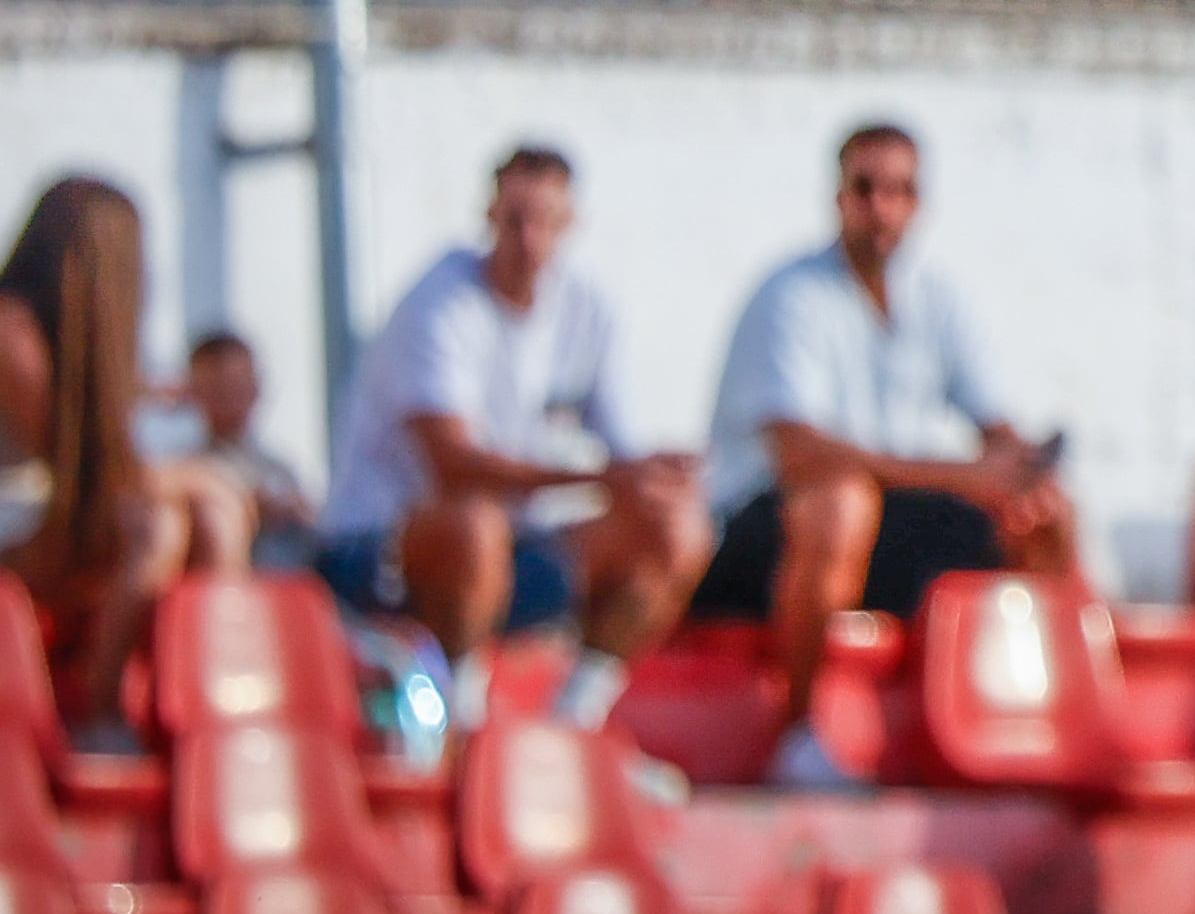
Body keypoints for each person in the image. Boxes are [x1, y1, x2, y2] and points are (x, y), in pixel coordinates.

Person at [690, 124, 1080, 786]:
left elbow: (992, 424)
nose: (882, 209)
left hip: (880, 527)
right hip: (763, 536)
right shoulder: (790, 298)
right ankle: (797, 736)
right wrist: (967, 476)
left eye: (898, 192)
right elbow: (800, 455)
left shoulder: (938, 299)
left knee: (1045, 514)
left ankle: (1043, 722)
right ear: (838, 197)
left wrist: (1021, 469)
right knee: (839, 506)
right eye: (866, 190)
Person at [311, 147, 711, 732]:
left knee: (676, 526)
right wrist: (605, 478)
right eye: (515, 219)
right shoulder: (438, 304)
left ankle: (576, 722)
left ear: (570, 224)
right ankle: (463, 731)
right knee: (474, 527)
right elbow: (453, 467)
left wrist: (658, 476)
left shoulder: (586, 308)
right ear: (490, 217)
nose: (528, 239)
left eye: (544, 221)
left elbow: (620, 458)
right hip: (375, 552)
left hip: (508, 556)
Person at [0, 180, 250, 732]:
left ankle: (207, 705)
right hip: (16, 528)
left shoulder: (60, 341)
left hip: (51, 522)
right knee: (160, 522)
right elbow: (83, 470)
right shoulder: (11, 334)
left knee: (208, 508)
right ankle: (102, 710)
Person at [170, 330, 319, 562]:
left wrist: (300, 514)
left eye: (238, 387)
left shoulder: (280, 469)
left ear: (257, 388)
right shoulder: (181, 473)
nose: (230, 401)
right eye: (218, 390)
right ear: (193, 392)